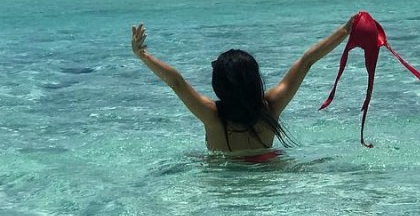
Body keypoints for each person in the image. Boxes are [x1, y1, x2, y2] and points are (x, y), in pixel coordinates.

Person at [130, 17, 354, 155]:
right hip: (268, 178)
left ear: (219, 84)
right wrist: (345, 30)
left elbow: (176, 82)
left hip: (225, 186)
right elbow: (306, 61)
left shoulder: (212, 116)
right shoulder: (271, 107)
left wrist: (142, 55)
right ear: (255, 80)